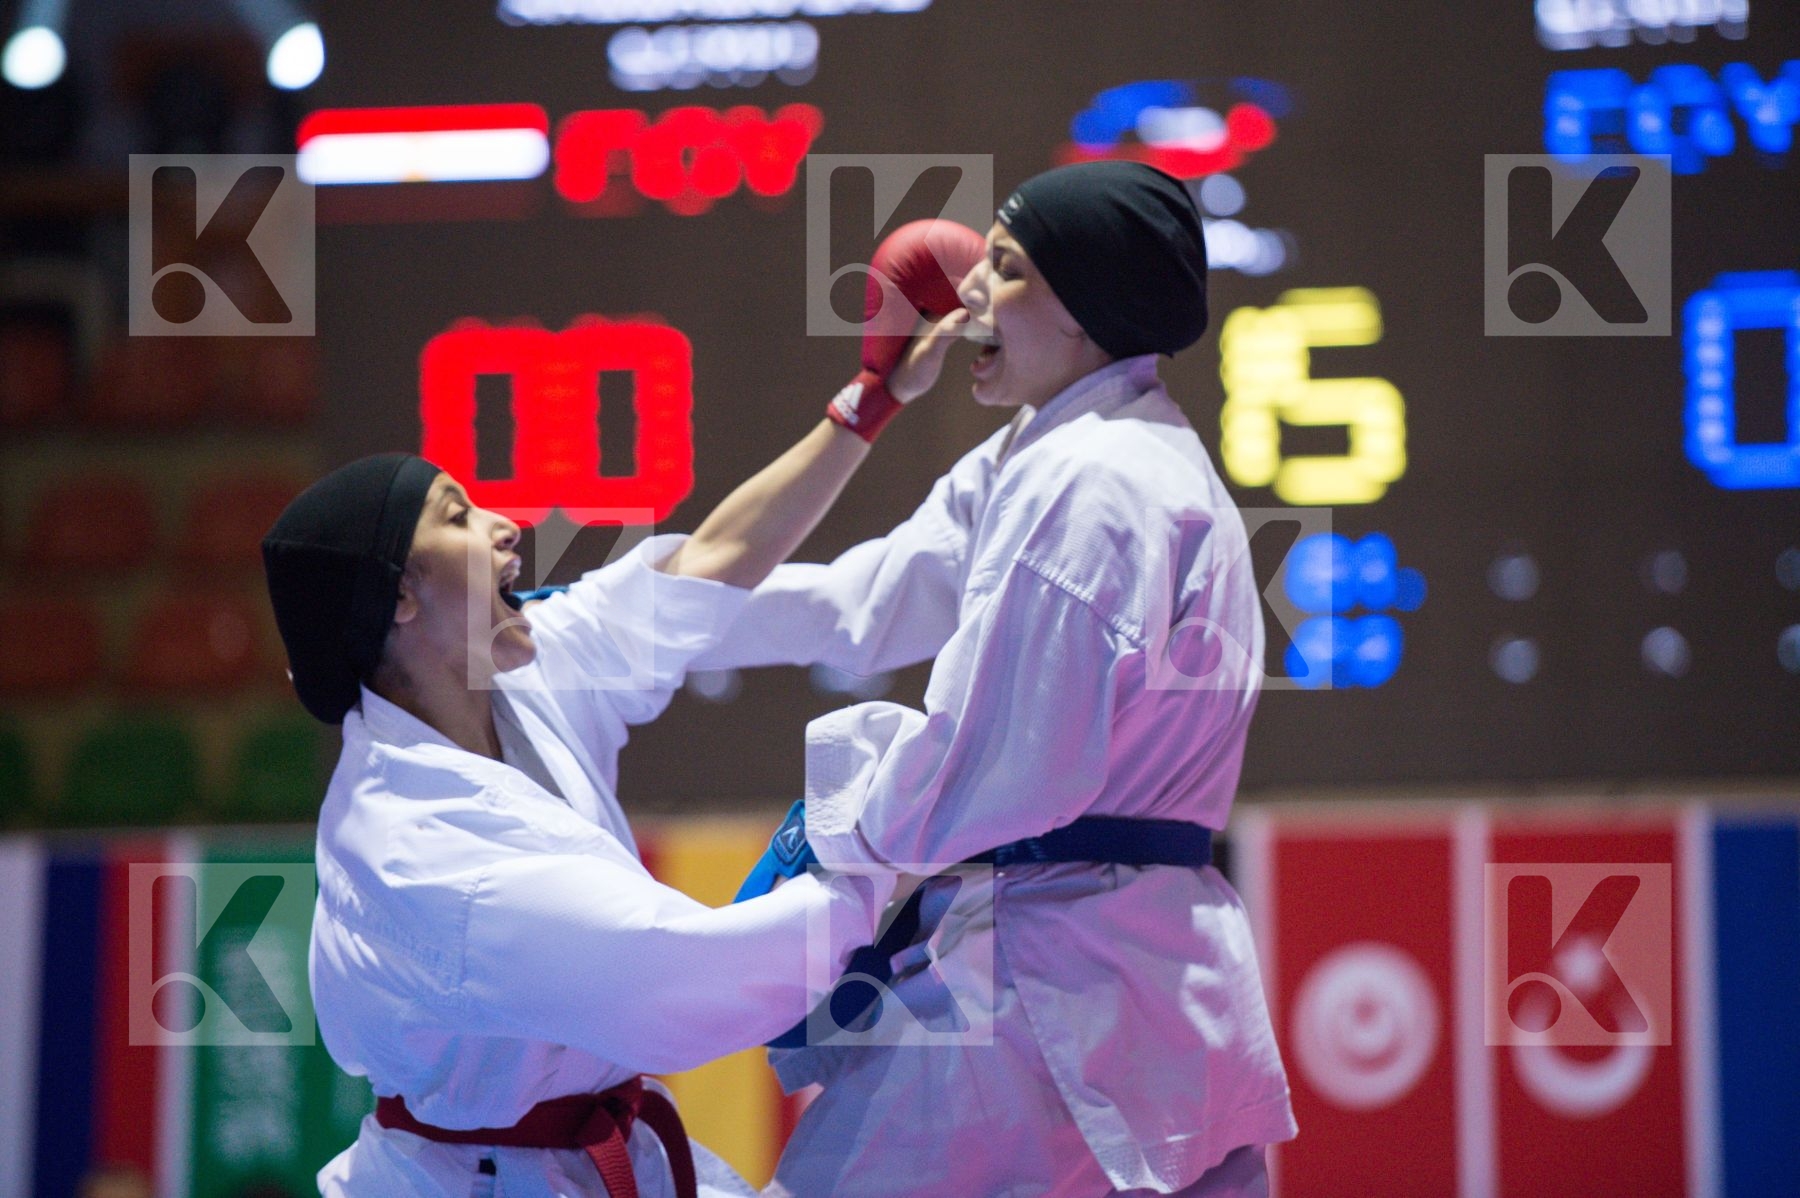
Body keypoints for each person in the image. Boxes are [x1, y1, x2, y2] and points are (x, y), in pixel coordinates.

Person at [259, 225, 972, 1198]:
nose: (509, 526)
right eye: (460, 517)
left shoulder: (526, 667)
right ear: (399, 600)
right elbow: (675, 986)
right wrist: (867, 845)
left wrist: (868, 404)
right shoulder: (415, 848)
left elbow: (709, 564)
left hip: (594, 1154)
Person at [699, 162, 1298, 1196]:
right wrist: (632, 620)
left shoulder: (1091, 484)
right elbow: (865, 597)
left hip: (1040, 987)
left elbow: (993, 771)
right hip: (1133, 974)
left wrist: (826, 839)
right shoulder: (1069, 446)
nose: (966, 286)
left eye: (1007, 269)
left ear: (1085, 312)